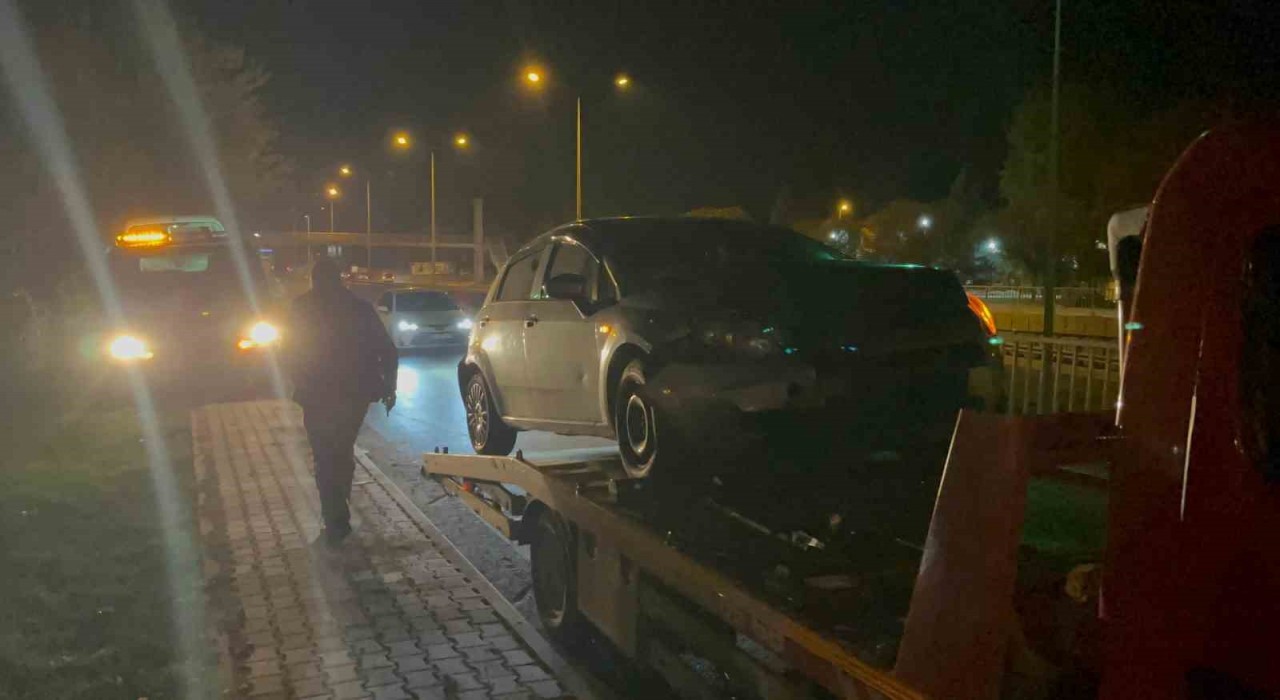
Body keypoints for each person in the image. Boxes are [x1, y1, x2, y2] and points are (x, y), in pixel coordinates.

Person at [284, 257, 398, 547]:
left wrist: (298, 380)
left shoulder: (300, 308)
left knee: (325, 456)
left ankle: (335, 519)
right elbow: (387, 349)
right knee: (342, 451)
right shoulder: (359, 309)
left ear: (314, 280)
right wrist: (389, 387)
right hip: (354, 393)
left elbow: (287, 352)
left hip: (317, 394)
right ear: (340, 280)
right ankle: (338, 513)